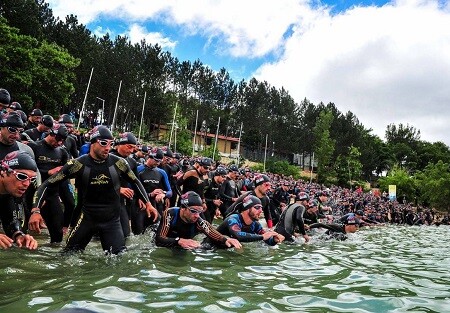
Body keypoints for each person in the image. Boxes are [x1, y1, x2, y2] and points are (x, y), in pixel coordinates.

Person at [28, 125, 158, 254]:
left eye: (110, 144)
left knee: (118, 260)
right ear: (93, 142)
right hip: (87, 219)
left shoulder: (119, 163)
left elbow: (135, 181)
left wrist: (148, 203)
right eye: (103, 143)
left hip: (111, 221)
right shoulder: (78, 164)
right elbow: (47, 184)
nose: (107, 148)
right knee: (67, 256)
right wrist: (35, 210)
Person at [27, 123, 70, 244]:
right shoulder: (34, 147)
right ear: (51, 133)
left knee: (57, 233)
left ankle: (52, 260)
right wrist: (47, 172)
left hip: (51, 193)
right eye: (58, 139)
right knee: (24, 231)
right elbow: (27, 171)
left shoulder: (62, 152)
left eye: (63, 141)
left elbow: (66, 172)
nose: (60, 143)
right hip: (32, 192)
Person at [155, 191, 241, 249]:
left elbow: (211, 231)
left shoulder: (198, 221)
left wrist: (226, 239)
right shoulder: (170, 213)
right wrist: (179, 241)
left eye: (199, 212)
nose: (197, 215)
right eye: (193, 211)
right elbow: (159, 239)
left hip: (184, 247)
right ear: (182, 208)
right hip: (166, 244)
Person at [0, 151, 38, 250]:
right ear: (3, 172)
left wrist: (19, 236)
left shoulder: (10, 191)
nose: (27, 184)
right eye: (21, 176)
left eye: (32, 179)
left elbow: (9, 220)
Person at [212, 195, 284, 247]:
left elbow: (268, 241)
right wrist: (262, 236)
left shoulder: (255, 224)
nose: (261, 211)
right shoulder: (233, 219)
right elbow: (238, 235)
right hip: (209, 249)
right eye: (257, 207)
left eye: (261, 208)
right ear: (247, 209)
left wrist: (274, 239)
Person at [135, 147, 172, 234]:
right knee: (138, 235)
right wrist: (150, 194)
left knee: (159, 231)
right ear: (149, 157)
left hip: (154, 206)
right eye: (156, 160)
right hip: (139, 206)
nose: (158, 163)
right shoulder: (138, 169)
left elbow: (170, 191)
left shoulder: (161, 172)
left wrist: (164, 194)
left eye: (160, 161)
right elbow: (132, 190)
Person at [109, 132, 139, 238]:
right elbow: (96, 179)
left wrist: (143, 200)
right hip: (102, 202)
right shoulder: (108, 157)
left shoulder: (132, 162)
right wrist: (118, 189)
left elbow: (136, 183)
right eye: (129, 147)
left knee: (126, 235)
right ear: (120, 144)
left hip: (120, 203)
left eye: (133, 148)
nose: (131, 151)